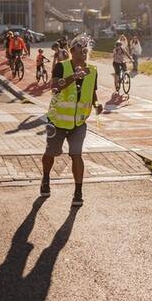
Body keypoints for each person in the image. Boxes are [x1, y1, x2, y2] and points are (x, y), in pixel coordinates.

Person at [40, 36, 103, 206]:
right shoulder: (62, 66)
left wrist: (97, 104)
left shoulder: (93, 70)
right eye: (80, 46)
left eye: (86, 47)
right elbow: (54, 88)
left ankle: (78, 192)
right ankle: (46, 178)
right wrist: (73, 77)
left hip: (78, 122)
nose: (84, 49)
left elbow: (93, 92)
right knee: (50, 154)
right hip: (58, 120)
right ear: (72, 50)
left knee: (77, 155)